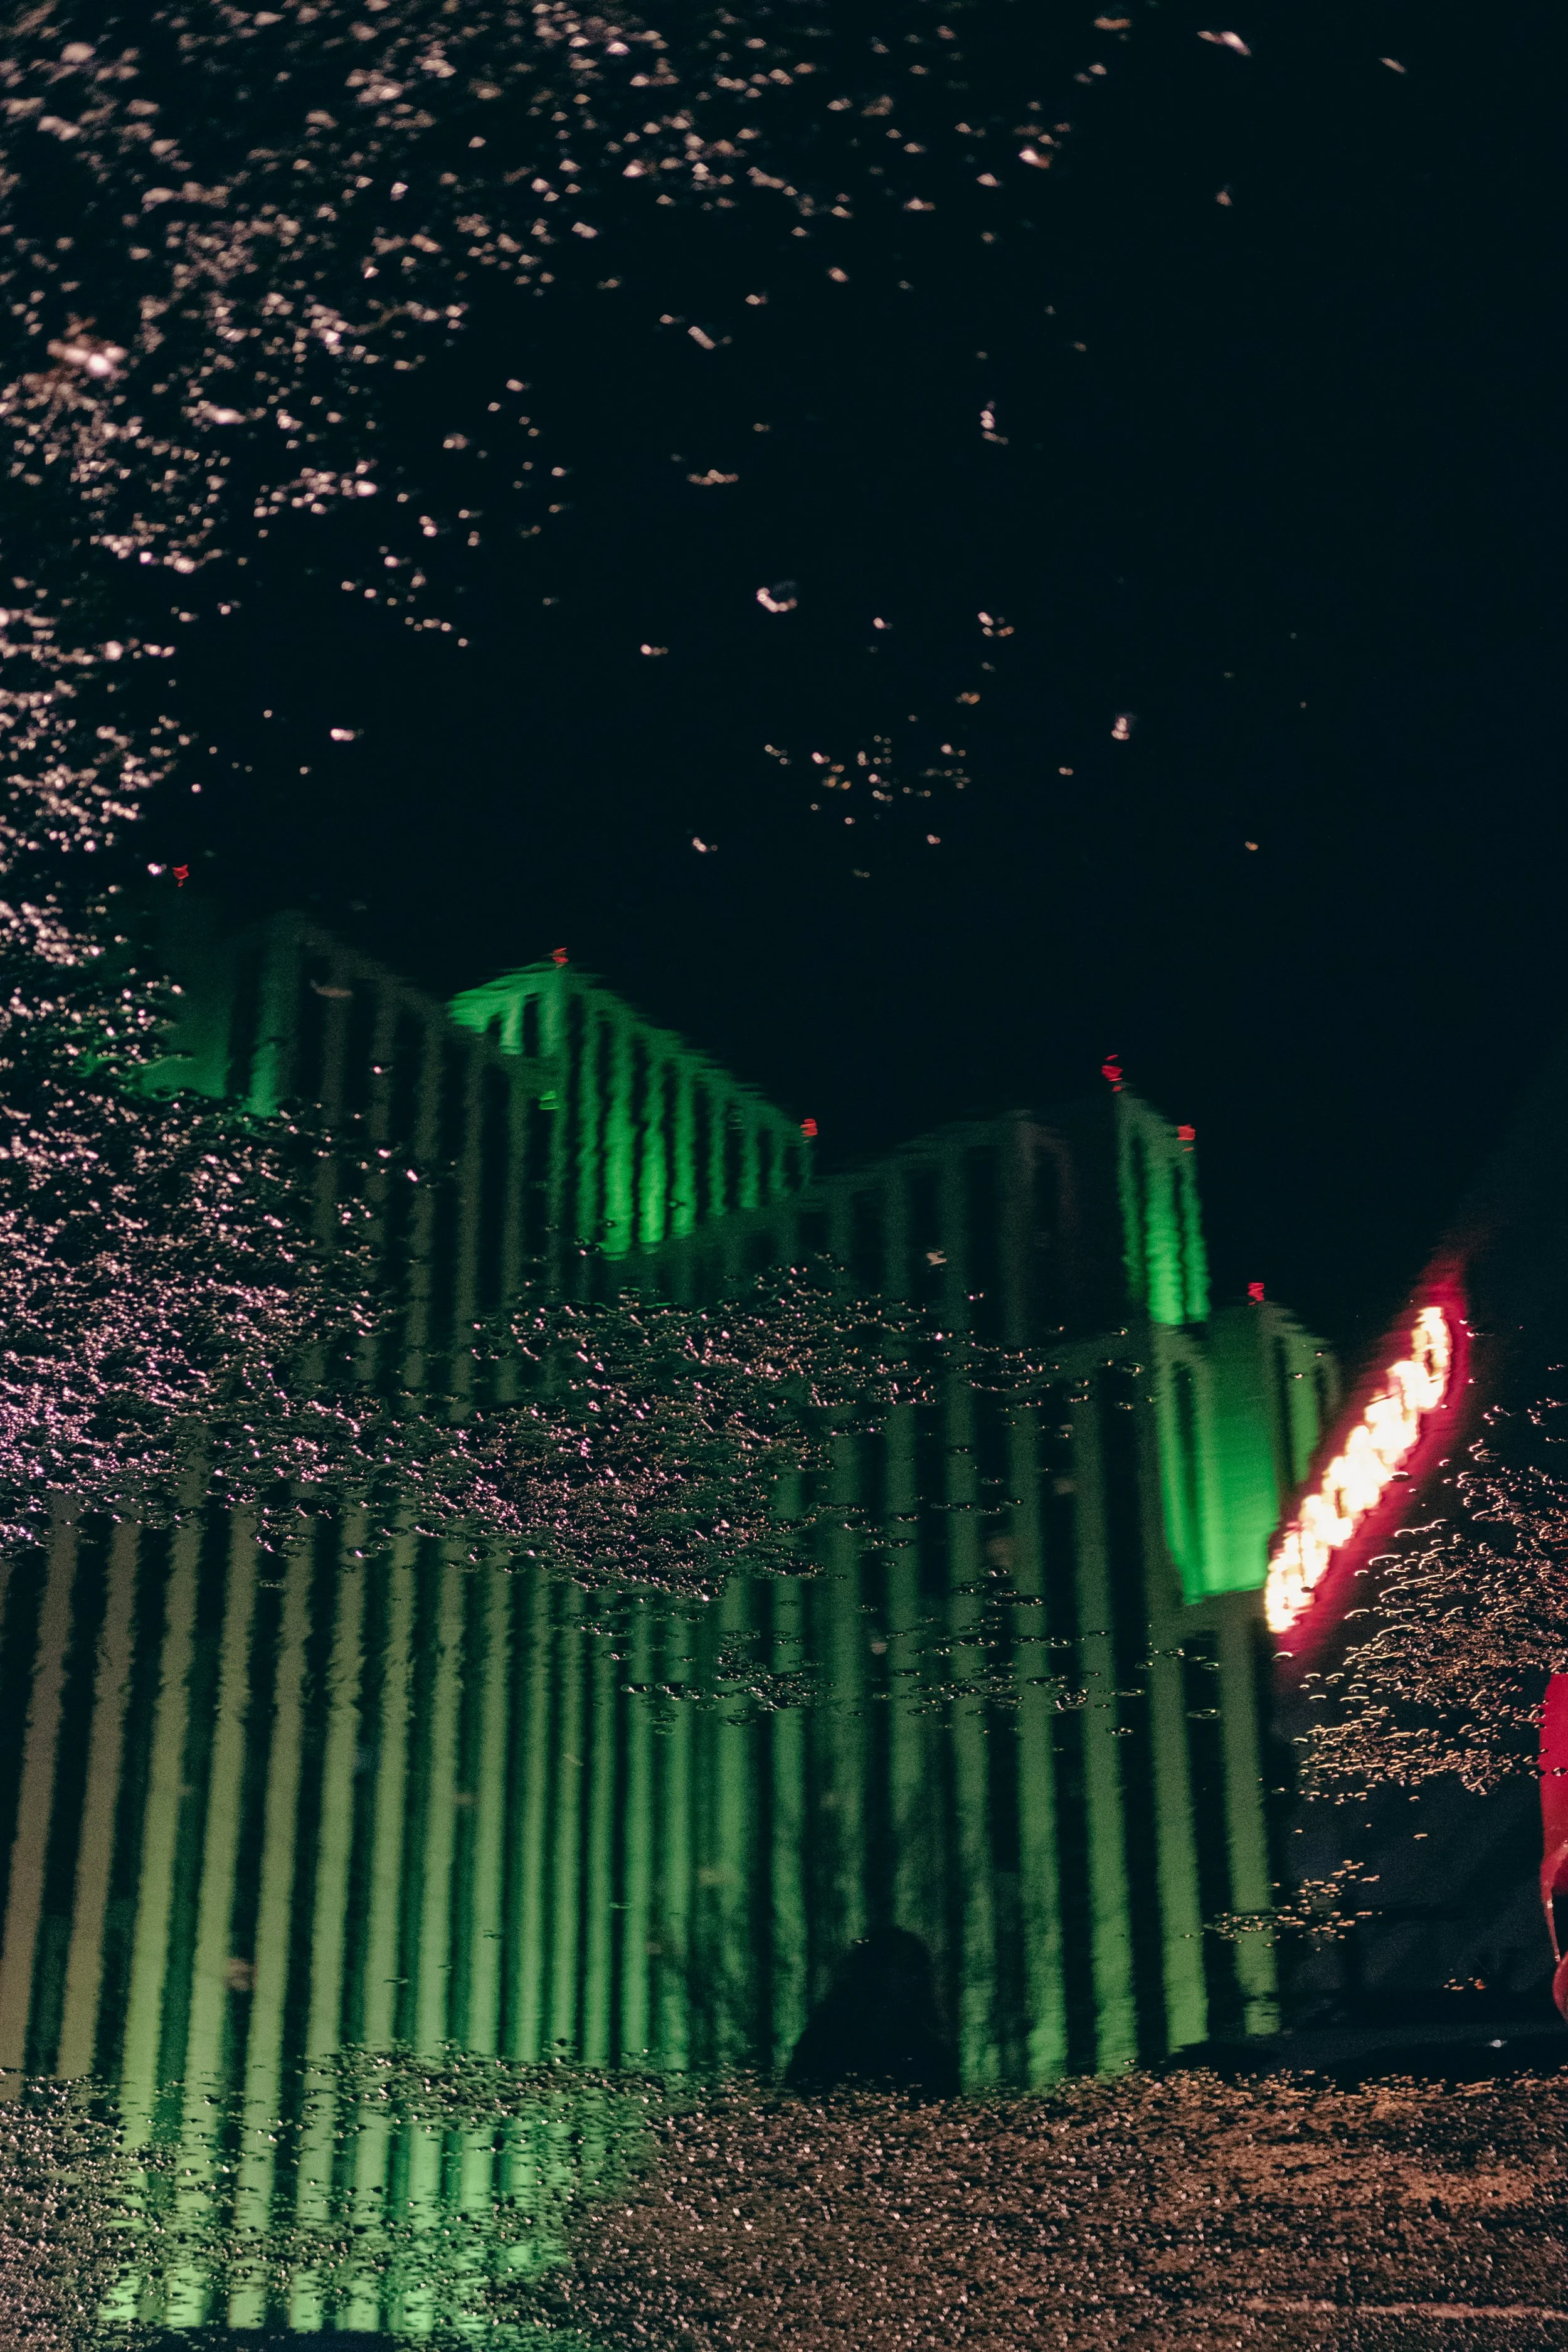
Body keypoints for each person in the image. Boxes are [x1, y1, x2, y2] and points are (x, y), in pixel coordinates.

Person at [784, 1926, 960, 2099]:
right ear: (875, 1970)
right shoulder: (825, 2039)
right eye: (907, 1968)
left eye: (919, 1970)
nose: (916, 1979)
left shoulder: (928, 2051)